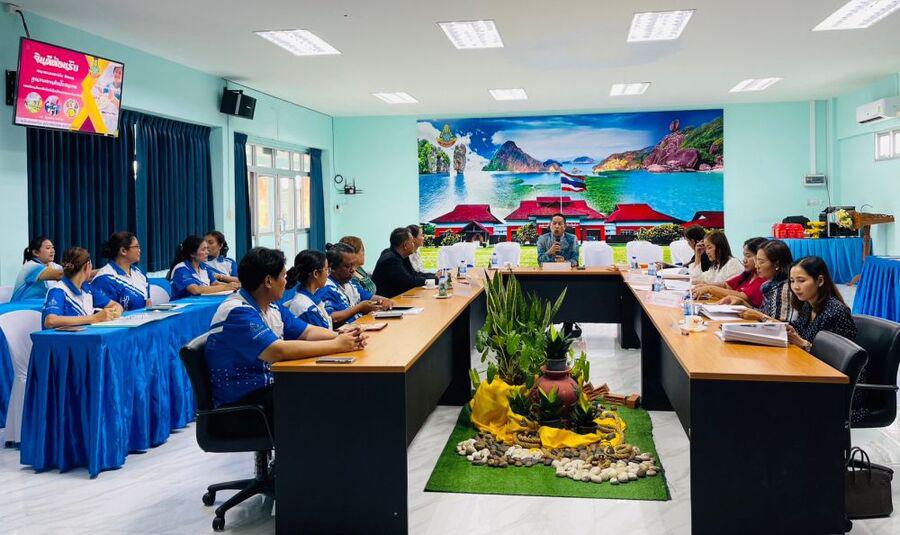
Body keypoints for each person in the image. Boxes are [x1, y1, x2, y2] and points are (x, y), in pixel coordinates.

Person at [204, 247, 366, 423]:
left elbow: (307, 331)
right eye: (283, 276)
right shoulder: (237, 311)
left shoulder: (271, 306)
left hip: (268, 390)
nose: (286, 281)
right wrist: (337, 345)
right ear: (268, 281)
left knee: (331, 390)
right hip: (243, 405)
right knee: (324, 400)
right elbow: (276, 351)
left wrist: (341, 335)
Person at [785, 256, 857, 351]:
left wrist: (804, 344)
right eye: (792, 281)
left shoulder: (836, 312)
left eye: (801, 281)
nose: (795, 287)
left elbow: (840, 354)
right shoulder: (807, 305)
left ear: (820, 281)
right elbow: (799, 327)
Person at [42, 247, 123, 329]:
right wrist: (94, 318)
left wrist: (113, 313)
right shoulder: (57, 290)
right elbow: (51, 321)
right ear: (87, 265)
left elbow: (115, 305)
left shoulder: (87, 288)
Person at [318, 243, 393, 326]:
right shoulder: (326, 288)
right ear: (332, 268)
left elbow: (370, 297)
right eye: (347, 266)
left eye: (354, 265)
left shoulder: (349, 284)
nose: (353, 270)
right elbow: (331, 318)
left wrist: (385, 301)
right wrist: (359, 308)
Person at [722, 239, 794, 322]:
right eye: (756, 261)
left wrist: (759, 316)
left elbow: (780, 326)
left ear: (776, 264)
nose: (757, 266)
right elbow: (765, 314)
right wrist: (743, 303)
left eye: (761, 262)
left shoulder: (784, 289)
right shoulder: (769, 285)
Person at [692, 237, 767, 307]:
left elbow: (742, 296)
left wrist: (709, 288)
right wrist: (705, 285)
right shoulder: (748, 274)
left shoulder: (763, 277)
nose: (706, 252)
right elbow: (727, 285)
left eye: (748, 256)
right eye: (744, 256)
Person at [92, 231, 152, 311]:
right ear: (123, 251)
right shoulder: (104, 278)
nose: (139, 250)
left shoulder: (140, 274)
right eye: (136, 246)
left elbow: (148, 304)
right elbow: (105, 313)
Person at [167, 235, 240, 300]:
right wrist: (225, 287)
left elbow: (215, 283)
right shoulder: (181, 269)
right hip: (183, 306)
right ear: (192, 254)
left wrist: (234, 286)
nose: (207, 252)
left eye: (207, 249)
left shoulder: (203, 267)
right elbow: (195, 290)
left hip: (201, 302)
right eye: (203, 249)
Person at [372, 227, 432, 298]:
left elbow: (414, 274)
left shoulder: (402, 256)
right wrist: (429, 281)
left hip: (399, 297)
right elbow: (408, 281)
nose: (413, 244)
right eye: (412, 242)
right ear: (405, 245)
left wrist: (434, 277)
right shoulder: (391, 259)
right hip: (388, 301)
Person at [285, 250, 333, 330]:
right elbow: (322, 336)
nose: (328, 274)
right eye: (326, 269)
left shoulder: (310, 299)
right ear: (316, 274)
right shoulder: (305, 308)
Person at [12, 236, 64, 302]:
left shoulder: (53, 265)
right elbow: (60, 275)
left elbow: (67, 274)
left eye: (53, 248)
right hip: (22, 305)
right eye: (48, 248)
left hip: (40, 304)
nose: (52, 251)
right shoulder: (30, 266)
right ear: (36, 252)